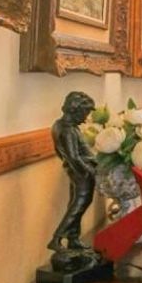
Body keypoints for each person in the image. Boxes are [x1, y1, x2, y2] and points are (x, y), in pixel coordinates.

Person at [47, 92, 97, 251]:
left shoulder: (60, 125)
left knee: (74, 203)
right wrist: (89, 171)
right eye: (85, 113)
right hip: (81, 172)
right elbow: (73, 157)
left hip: (75, 171)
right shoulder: (68, 130)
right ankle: (56, 238)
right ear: (76, 110)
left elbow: (62, 154)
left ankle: (73, 238)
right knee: (79, 204)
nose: (86, 117)